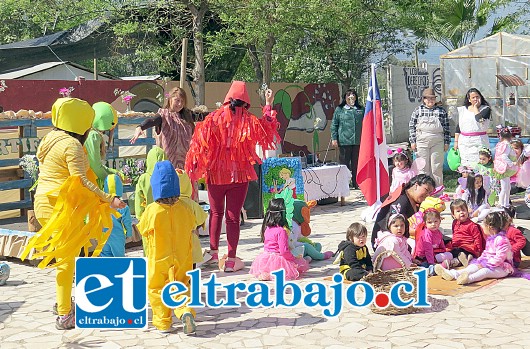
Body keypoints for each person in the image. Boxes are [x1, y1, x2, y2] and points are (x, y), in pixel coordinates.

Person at [22, 97, 125, 330]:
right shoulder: (72, 145)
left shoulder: (50, 138)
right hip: (62, 206)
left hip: (43, 203)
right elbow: (82, 181)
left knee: (67, 257)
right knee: (67, 261)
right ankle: (65, 314)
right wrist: (109, 199)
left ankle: (63, 301)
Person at [185, 81, 280, 272]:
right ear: (245, 101)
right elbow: (268, 131)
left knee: (216, 213)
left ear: (228, 98)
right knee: (233, 217)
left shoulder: (212, 118)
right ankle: (231, 258)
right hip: (239, 175)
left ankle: (212, 253)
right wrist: (268, 103)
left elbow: (198, 144)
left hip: (215, 175)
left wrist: (195, 168)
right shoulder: (249, 119)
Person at [137, 160, 197, 335]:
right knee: (181, 285)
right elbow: (194, 225)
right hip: (182, 256)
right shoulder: (185, 209)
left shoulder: (152, 210)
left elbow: (142, 229)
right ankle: (185, 310)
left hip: (159, 257)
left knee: (157, 288)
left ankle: (163, 322)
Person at [435, 211, 514, 285]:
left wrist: (485, 264)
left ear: (490, 227)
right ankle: (452, 274)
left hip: (503, 268)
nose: (483, 227)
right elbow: (486, 253)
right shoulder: (491, 238)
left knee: (485, 271)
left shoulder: (502, 240)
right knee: (473, 266)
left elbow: (499, 258)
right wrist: (480, 261)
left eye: (484, 225)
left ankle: (468, 279)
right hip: (489, 263)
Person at [130, 87, 195, 170]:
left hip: (185, 166)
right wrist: (140, 127)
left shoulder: (187, 116)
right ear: (170, 99)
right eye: (177, 100)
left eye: (182, 101)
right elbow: (151, 120)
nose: (180, 104)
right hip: (167, 166)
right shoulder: (163, 115)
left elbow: (204, 116)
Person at [249, 198, 310, 281]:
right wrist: (293, 258)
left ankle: (267, 273)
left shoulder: (267, 228)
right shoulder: (281, 231)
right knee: (298, 264)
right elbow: (284, 251)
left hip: (266, 258)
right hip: (279, 259)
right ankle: (273, 273)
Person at [371, 174, 436, 249]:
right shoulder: (401, 201)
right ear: (416, 185)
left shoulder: (415, 201)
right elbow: (394, 227)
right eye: (427, 190)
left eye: (430, 193)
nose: (427, 195)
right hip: (386, 242)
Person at [408, 87, 450, 186]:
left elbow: (447, 127)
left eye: (432, 98)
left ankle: (438, 191)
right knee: (422, 167)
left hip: (437, 141)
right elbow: (411, 126)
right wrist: (412, 141)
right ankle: (423, 191)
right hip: (421, 142)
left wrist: (447, 142)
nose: (430, 100)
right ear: (424, 99)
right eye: (428, 98)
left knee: (436, 167)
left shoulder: (441, 111)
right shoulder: (418, 110)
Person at [331, 89, 364, 189]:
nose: (351, 97)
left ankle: (356, 183)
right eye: (348, 95)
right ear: (345, 98)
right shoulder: (340, 109)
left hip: (358, 141)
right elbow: (334, 124)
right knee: (344, 164)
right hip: (344, 141)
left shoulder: (360, 109)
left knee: (357, 163)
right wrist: (334, 138)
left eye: (353, 95)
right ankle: (344, 184)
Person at [176, 169, 209, 267]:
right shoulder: (192, 204)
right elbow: (201, 220)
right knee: (191, 269)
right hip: (191, 240)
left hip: (175, 242)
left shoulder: (170, 205)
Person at [85, 102, 120, 189]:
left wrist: (115, 173)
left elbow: (97, 164)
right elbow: (95, 166)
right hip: (88, 183)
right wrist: (111, 181)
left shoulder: (88, 133)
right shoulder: (93, 136)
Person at [442, 199, 486, 269]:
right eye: (458, 211)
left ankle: (460, 260)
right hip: (457, 247)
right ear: (453, 215)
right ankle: (465, 259)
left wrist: (478, 252)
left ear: (467, 212)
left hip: (468, 247)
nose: (462, 213)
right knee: (452, 252)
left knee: (462, 252)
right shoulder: (455, 223)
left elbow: (477, 238)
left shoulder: (472, 225)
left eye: (463, 210)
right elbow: (454, 234)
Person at [453, 88, 491, 167]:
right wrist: (456, 141)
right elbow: (459, 126)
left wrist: (475, 108)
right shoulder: (463, 110)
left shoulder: (485, 109)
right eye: (473, 97)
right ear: (469, 99)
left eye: (477, 97)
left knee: (479, 163)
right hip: (464, 141)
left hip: (479, 140)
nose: (475, 99)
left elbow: (479, 119)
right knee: (466, 164)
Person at [100, 174, 133, 257]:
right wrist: (129, 234)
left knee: (105, 256)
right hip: (118, 236)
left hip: (103, 236)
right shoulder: (123, 206)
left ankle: (106, 270)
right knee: (119, 258)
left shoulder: (101, 205)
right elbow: (127, 222)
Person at [494, 128, 518, 208]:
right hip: (504, 168)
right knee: (505, 188)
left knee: (507, 187)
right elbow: (504, 156)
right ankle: (502, 203)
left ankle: (506, 203)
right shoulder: (506, 145)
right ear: (510, 136)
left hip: (503, 167)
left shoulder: (501, 144)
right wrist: (511, 163)